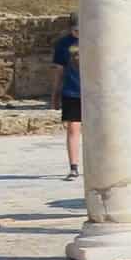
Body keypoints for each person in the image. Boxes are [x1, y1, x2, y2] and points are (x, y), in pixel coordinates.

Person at [51, 22, 82, 181]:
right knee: (73, 129)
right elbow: (59, 71)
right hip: (72, 91)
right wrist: (55, 94)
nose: (78, 32)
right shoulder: (63, 44)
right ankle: (74, 167)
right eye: (76, 29)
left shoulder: (95, 37)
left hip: (93, 93)